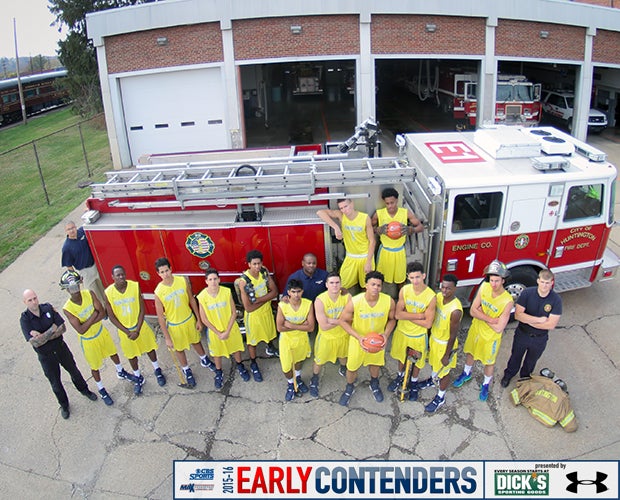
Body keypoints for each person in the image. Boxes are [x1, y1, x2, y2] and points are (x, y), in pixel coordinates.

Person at [61, 270, 136, 406]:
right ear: (66, 289)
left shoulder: (89, 293)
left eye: (76, 286)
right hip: (89, 341)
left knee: (113, 353)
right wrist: (94, 315)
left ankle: (120, 371)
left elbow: (102, 313)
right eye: (71, 288)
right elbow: (81, 330)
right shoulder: (67, 308)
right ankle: (101, 389)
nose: (75, 290)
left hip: (101, 332)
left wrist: (88, 320)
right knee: (95, 366)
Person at [20, 289, 98, 419]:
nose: (34, 302)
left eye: (35, 298)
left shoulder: (48, 308)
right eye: (30, 300)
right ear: (25, 302)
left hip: (61, 349)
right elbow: (35, 342)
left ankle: (85, 390)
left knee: (74, 371)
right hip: (46, 357)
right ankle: (64, 405)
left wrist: (42, 335)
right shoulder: (24, 319)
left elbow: (63, 328)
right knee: (55, 383)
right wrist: (52, 330)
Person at [453, 260, 513, 401]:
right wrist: (491, 319)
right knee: (470, 352)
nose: (493, 284)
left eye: (497, 281)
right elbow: (473, 311)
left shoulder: (508, 301)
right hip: (476, 329)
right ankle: (466, 373)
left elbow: (499, 328)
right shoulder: (484, 287)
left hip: (491, 337)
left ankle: (486, 384)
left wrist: (483, 315)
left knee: (489, 362)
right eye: (491, 280)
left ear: (503, 280)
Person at [104, 265, 167, 395]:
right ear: (112, 277)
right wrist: (127, 332)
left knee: (150, 349)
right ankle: (138, 377)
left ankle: (157, 369)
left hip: (140, 326)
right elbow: (111, 316)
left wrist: (137, 329)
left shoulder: (134, 286)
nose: (121, 277)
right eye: (118, 275)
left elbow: (142, 308)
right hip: (125, 331)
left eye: (122, 274)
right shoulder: (108, 293)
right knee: (132, 356)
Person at [154, 257, 215, 388]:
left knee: (196, 341)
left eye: (167, 270)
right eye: (162, 272)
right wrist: (167, 338)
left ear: (171, 269)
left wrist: (198, 318)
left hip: (188, 319)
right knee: (179, 349)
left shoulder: (182, 281)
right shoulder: (158, 292)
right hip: (175, 325)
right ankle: (186, 369)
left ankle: (204, 359)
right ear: (158, 274)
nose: (165, 274)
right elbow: (160, 317)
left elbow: (192, 300)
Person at [339, 271, 396, 406]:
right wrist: (358, 337)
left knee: (375, 365)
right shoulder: (355, 301)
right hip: (358, 340)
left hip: (377, 341)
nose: (376, 288)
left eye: (378, 285)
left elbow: (392, 320)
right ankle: (349, 387)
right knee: (352, 368)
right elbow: (342, 321)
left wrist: (386, 335)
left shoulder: (388, 301)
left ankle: (374, 383)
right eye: (373, 284)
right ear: (366, 285)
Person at [500, 269, 562, 388]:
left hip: (540, 338)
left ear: (552, 283)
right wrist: (539, 320)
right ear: (538, 281)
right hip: (522, 334)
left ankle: (525, 379)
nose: (544, 285)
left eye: (547, 283)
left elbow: (551, 325)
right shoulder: (527, 293)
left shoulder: (556, 300)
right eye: (542, 282)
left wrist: (528, 320)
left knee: (531, 361)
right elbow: (518, 315)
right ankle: (508, 375)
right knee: (515, 357)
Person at [387, 261, 436, 402]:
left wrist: (408, 315)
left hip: (418, 335)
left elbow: (428, 323)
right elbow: (397, 315)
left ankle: (413, 383)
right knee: (401, 358)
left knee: (417, 363)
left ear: (424, 276)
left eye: (418, 277)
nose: (415, 281)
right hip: (402, 332)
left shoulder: (431, 297)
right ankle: (400, 377)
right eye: (412, 278)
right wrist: (420, 315)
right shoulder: (405, 290)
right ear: (408, 277)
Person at [197, 268, 251, 390]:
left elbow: (233, 312)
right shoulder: (202, 297)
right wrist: (218, 332)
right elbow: (204, 319)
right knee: (217, 353)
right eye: (210, 279)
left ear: (219, 279)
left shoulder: (226, 292)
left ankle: (240, 365)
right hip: (215, 332)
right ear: (206, 281)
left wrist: (227, 331)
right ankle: (219, 372)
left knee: (236, 348)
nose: (213, 282)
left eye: (215, 279)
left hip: (230, 328)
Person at [371, 188, 424, 298]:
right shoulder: (379, 214)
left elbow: (421, 227)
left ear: (397, 200)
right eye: (387, 203)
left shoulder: (405, 213)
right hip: (385, 251)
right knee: (380, 279)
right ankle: (380, 301)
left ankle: (402, 301)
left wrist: (412, 230)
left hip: (399, 251)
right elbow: (369, 228)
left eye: (392, 203)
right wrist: (377, 230)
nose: (390, 206)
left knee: (401, 280)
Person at [236, 250, 279, 381]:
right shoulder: (244, 281)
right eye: (254, 264)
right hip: (254, 317)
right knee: (252, 342)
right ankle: (254, 363)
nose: (257, 266)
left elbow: (275, 291)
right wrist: (267, 298)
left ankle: (270, 348)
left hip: (265, 312)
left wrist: (260, 300)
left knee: (269, 333)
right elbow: (248, 308)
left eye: (259, 263)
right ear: (249, 264)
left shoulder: (264, 272)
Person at [423, 274, 463, 413]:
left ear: (455, 289)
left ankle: (441, 397)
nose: (445, 290)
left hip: (444, 344)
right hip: (434, 339)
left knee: (444, 372)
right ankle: (433, 379)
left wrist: (447, 354)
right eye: (443, 287)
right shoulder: (438, 297)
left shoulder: (456, 310)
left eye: (448, 288)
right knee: (434, 363)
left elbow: (453, 335)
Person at [317, 198, 375, 291]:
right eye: (341, 208)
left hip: (365, 257)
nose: (344, 210)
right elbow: (320, 212)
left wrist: (368, 262)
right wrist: (336, 227)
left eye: (346, 206)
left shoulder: (364, 217)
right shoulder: (341, 215)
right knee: (341, 285)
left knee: (367, 287)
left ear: (352, 204)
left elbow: (372, 241)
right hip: (350, 257)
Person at [309, 272, 351, 397]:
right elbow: (324, 326)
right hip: (326, 338)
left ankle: (343, 368)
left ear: (341, 284)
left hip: (343, 335)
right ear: (326, 284)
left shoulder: (347, 296)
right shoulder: (320, 300)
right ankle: (314, 379)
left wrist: (332, 320)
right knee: (319, 361)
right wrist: (341, 321)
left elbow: (350, 318)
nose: (334, 285)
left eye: (337, 282)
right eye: (331, 283)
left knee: (343, 356)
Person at [276, 279, 315, 401]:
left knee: (298, 360)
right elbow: (280, 327)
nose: (296, 295)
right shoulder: (282, 305)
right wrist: (301, 326)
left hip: (301, 339)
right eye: (293, 292)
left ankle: (297, 379)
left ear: (302, 291)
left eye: (298, 291)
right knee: (286, 367)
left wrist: (291, 325)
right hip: (286, 341)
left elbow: (311, 327)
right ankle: (290, 384)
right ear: (289, 292)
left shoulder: (308, 304)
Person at [61, 221, 105, 300]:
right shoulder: (66, 247)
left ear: (76, 227)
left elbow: (88, 224)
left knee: (104, 289)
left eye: (73, 228)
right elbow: (69, 265)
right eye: (69, 229)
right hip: (85, 272)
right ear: (66, 231)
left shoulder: (82, 232)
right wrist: (76, 278)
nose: (72, 231)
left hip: (95, 266)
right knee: (94, 295)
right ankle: (102, 310)